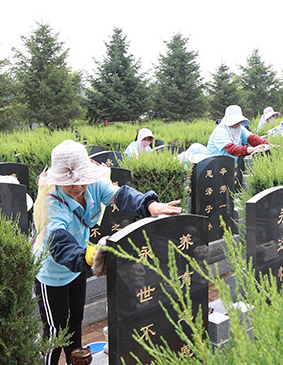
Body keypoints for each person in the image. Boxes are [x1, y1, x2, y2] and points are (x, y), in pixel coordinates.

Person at [33, 140, 181, 365]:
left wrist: (149, 205)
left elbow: (120, 196)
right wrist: (90, 255)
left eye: (82, 180)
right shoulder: (51, 204)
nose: (78, 187)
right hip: (52, 274)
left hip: (77, 270)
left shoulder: (93, 186)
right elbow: (60, 244)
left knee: (74, 326)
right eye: (70, 183)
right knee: (55, 333)